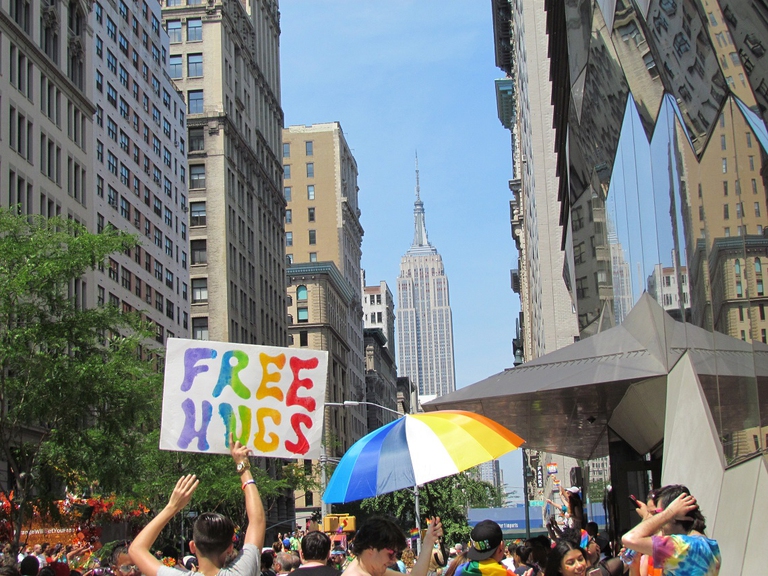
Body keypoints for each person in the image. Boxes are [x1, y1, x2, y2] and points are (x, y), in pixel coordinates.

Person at [129, 436, 265, 576]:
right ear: (230, 548)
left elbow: (136, 549)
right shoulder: (244, 572)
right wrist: (242, 465)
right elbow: (257, 520)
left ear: (192, 546)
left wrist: (172, 507)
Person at [621, 485, 720, 576]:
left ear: (675, 515)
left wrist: (669, 512)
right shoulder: (708, 545)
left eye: (659, 513)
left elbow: (629, 539)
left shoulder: (683, 547)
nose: (659, 521)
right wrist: (635, 565)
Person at [343, 516, 443, 576]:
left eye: (396, 554)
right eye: (391, 553)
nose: (394, 560)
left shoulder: (369, 568)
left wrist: (429, 540)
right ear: (371, 548)